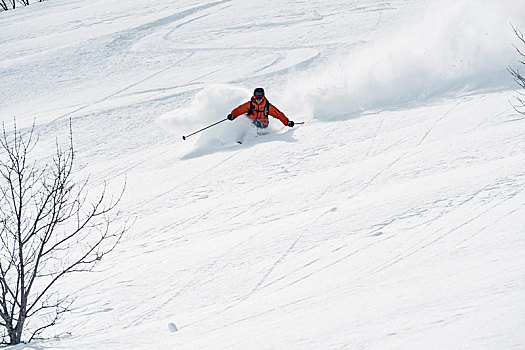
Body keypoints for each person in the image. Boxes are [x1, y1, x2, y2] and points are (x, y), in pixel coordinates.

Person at [227, 88, 294, 129]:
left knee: (255, 123)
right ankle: (241, 138)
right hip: (251, 122)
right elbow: (240, 109)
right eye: (256, 98)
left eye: (260, 98)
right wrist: (233, 115)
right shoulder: (250, 104)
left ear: (263, 97)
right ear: (254, 97)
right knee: (243, 119)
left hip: (262, 125)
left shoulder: (268, 106)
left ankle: (251, 136)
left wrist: (287, 122)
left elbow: (279, 115)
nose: (258, 100)